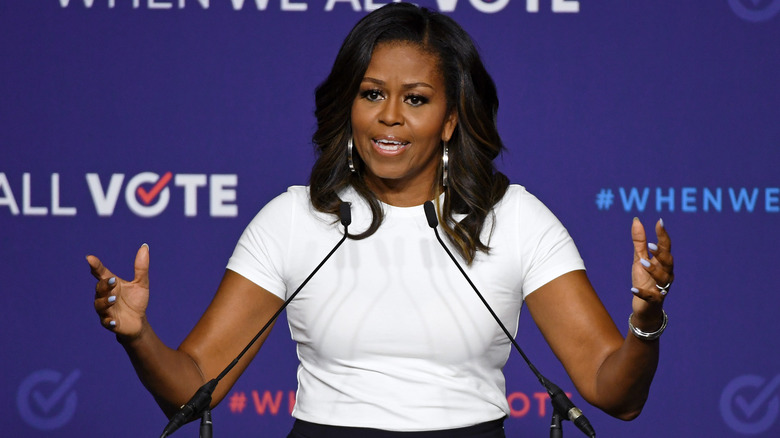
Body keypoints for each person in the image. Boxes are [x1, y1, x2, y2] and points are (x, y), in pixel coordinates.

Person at [88, 3, 674, 437]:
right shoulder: (295, 219)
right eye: (372, 94)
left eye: (416, 99)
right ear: (350, 104)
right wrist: (139, 338)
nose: (389, 117)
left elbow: (612, 391)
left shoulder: (513, 220)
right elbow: (191, 388)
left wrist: (646, 322)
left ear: (450, 118)